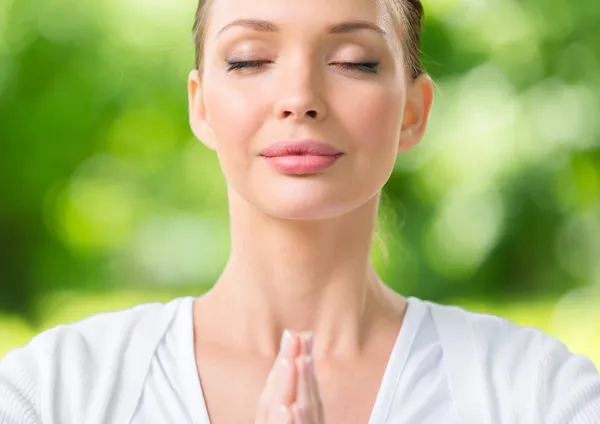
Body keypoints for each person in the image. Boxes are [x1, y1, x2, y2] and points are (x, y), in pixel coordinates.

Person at [1, 0, 600, 422]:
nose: (300, 99)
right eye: (249, 60)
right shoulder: (53, 392)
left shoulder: (541, 394)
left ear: (413, 112)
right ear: (201, 104)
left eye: (353, 61)